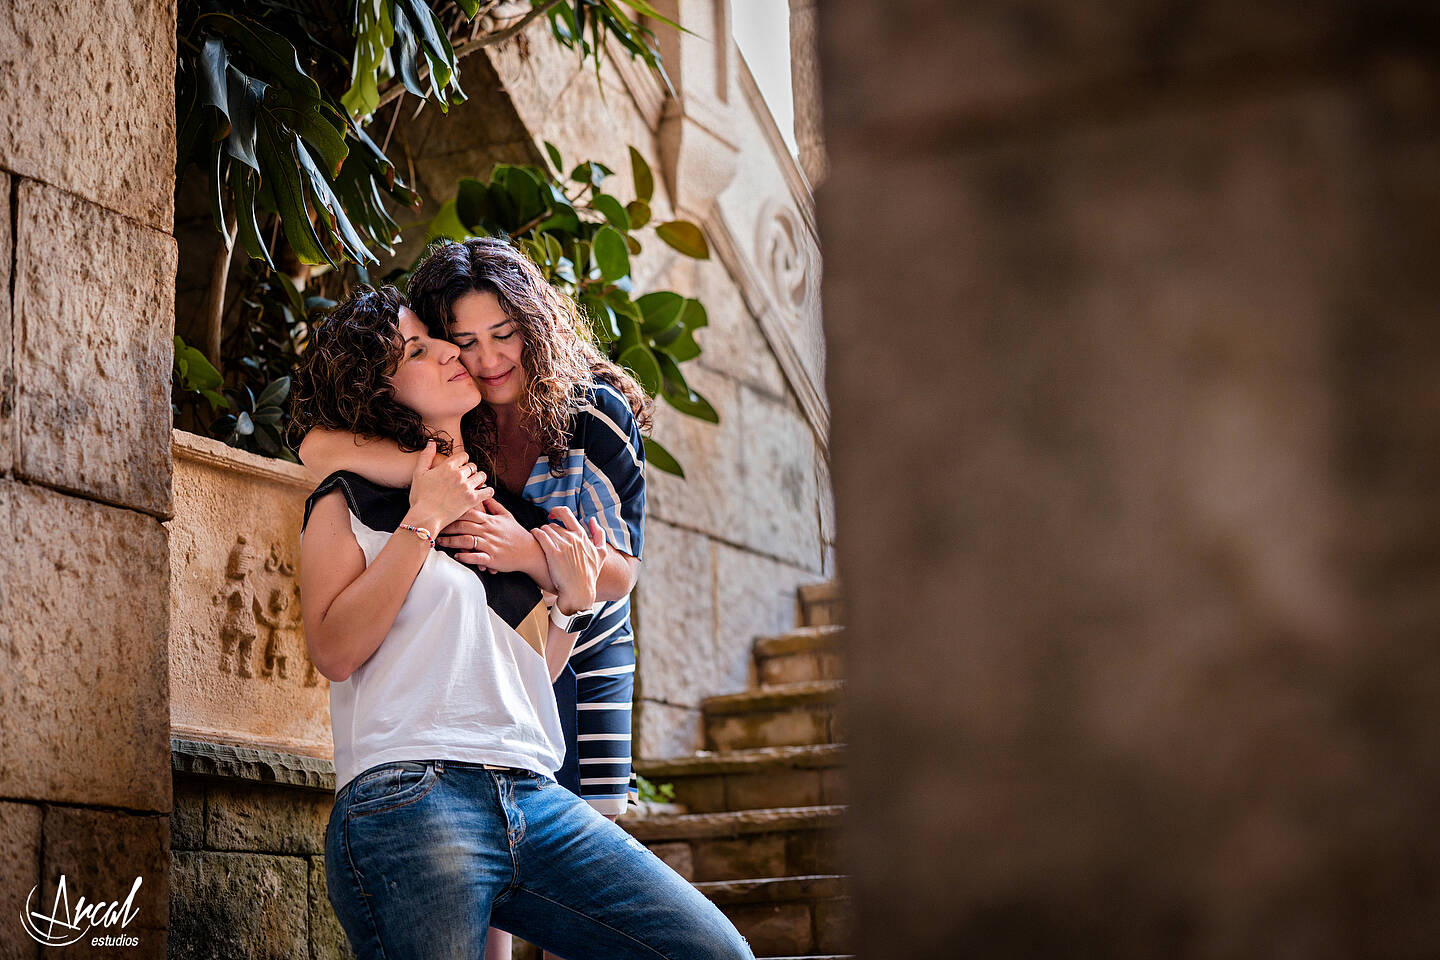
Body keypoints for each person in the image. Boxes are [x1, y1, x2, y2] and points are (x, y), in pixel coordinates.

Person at [290, 285, 751, 960]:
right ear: (382, 395)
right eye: (419, 349)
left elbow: (533, 672)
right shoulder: (348, 502)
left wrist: (572, 603)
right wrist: (423, 521)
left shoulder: (498, 513)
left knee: (713, 952)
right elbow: (333, 650)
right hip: (414, 795)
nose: (453, 352)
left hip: (532, 796)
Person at [299, 236, 649, 822]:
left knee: (591, 824)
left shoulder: (591, 414)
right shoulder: (463, 405)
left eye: (504, 334)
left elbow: (619, 570)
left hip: (586, 628)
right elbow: (315, 447)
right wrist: (435, 476)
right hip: (508, 633)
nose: (487, 360)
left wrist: (528, 552)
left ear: (533, 323)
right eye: (463, 342)